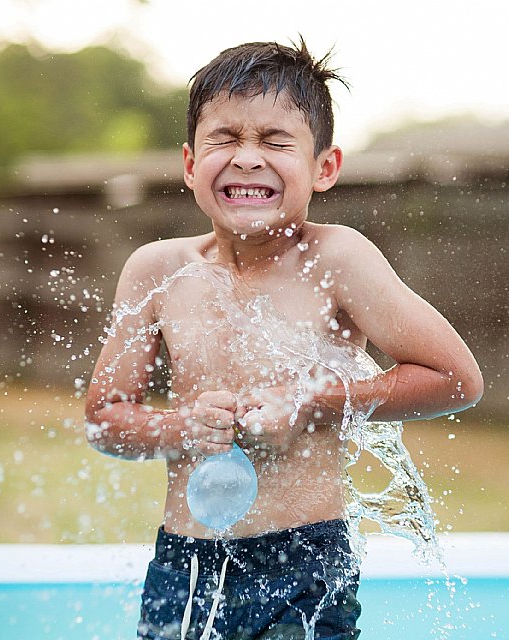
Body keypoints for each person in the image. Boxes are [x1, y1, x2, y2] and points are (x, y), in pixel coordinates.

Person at [84, 38, 483, 640]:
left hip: (306, 563)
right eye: (226, 139)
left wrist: (315, 405)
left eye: (275, 141)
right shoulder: (157, 271)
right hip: (186, 562)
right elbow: (104, 419)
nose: (247, 159)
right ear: (191, 164)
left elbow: (457, 379)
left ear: (325, 167)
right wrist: (181, 426)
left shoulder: (337, 260)